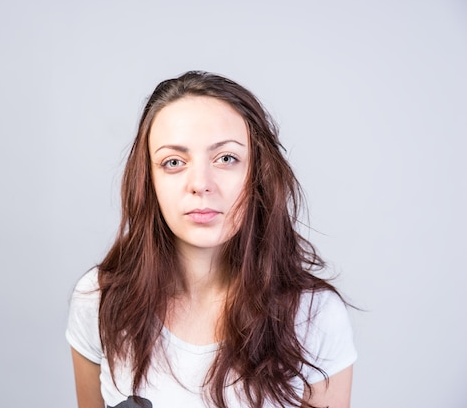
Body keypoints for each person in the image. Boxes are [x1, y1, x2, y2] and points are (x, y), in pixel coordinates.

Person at [66, 71, 357, 408]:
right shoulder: (99, 300)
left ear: (257, 175)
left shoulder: (314, 315)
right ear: (149, 180)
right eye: (173, 162)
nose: (201, 184)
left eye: (226, 158)